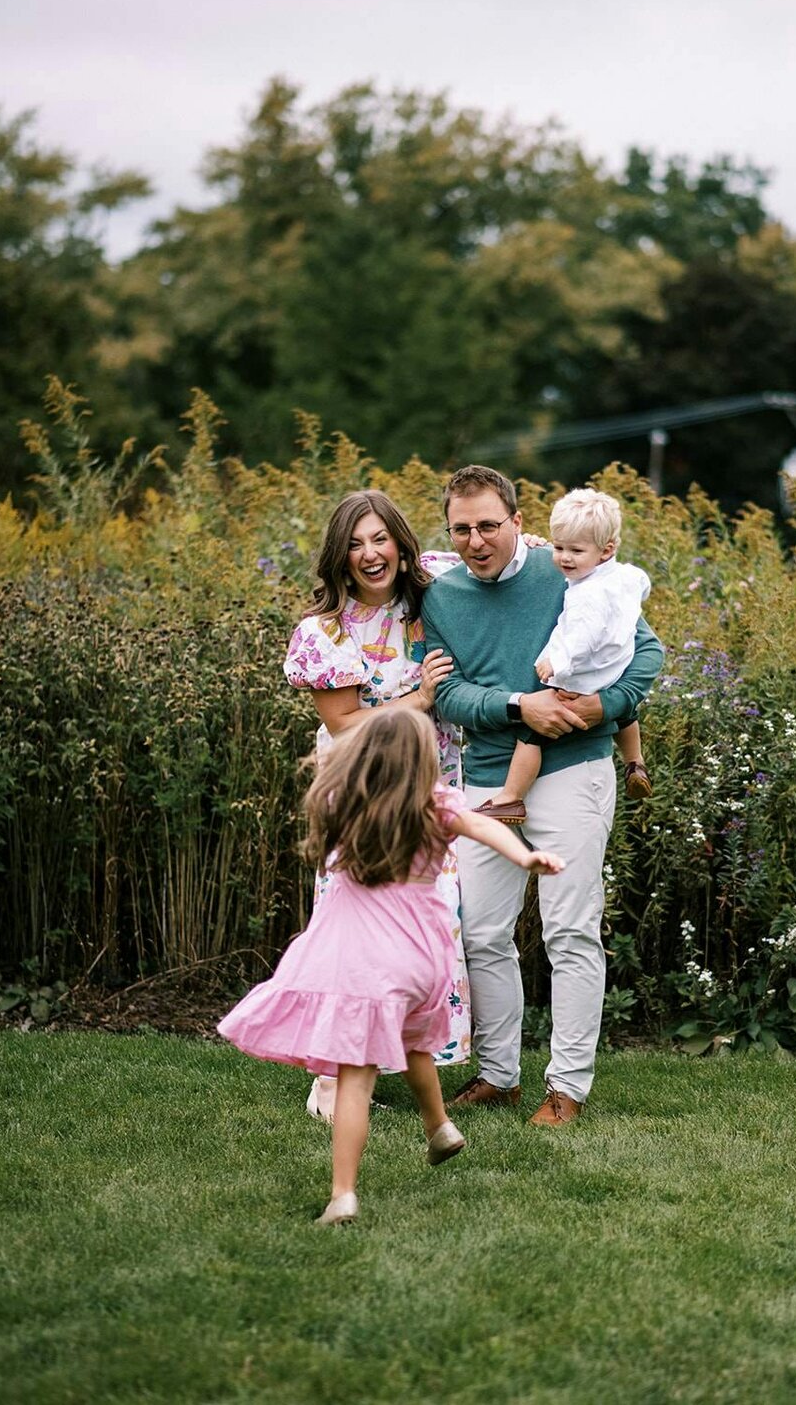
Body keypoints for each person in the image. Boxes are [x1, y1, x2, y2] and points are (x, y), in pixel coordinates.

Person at [218, 707, 565, 1225]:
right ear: (425, 761)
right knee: (413, 1042)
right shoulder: (437, 806)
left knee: (356, 1078)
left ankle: (343, 1196)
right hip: (423, 963)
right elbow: (478, 824)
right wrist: (524, 858)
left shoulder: (343, 804)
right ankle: (440, 1127)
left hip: (367, 964)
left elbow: (328, 785)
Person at [421, 465, 664, 1127]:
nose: (476, 540)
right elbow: (447, 693)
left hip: (573, 770)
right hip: (489, 780)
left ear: (518, 522)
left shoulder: (568, 570)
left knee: (570, 929)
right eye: (461, 529)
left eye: (489, 526)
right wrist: (514, 703)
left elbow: (645, 654)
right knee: (482, 932)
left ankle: (568, 1088)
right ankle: (499, 1076)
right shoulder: (443, 599)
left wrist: (598, 708)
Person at [281, 490, 469, 1124]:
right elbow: (346, 725)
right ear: (340, 554)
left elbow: (500, 546)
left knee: (426, 927)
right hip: (358, 793)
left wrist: (554, 550)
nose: (370, 554)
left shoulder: (433, 591)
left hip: (428, 785)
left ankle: (403, 1059)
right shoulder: (322, 632)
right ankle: (331, 1077)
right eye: (356, 543)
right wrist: (418, 701)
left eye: (380, 539)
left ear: (399, 543)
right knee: (354, 934)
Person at [477, 488, 653, 824]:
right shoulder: (625, 575)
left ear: (606, 550)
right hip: (613, 670)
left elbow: (580, 638)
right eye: (558, 548)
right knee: (627, 711)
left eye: (575, 550)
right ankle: (635, 762)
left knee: (532, 736)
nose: (564, 559)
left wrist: (557, 663)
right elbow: (642, 584)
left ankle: (510, 797)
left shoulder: (586, 594)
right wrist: (540, 548)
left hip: (580, 678)